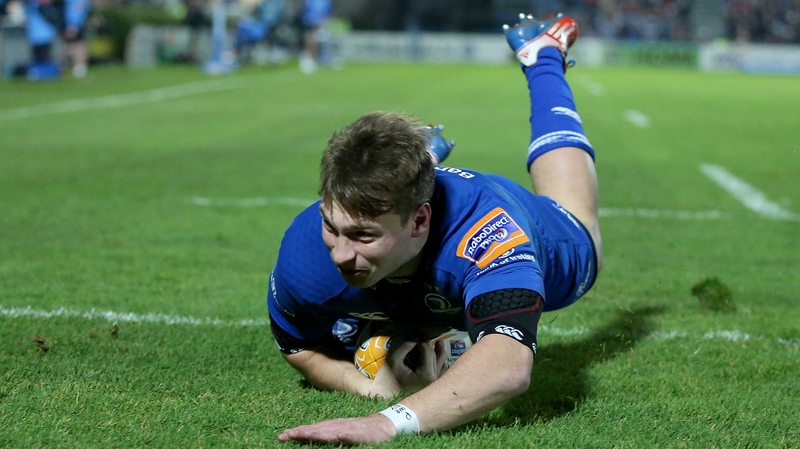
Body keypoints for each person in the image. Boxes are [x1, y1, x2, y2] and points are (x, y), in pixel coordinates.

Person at [269, 13, 602, 444]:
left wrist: (385, 421)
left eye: (363, 236)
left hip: (532, 230)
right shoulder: (305, 251)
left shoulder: (489, 236)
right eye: (333, 227)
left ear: (421, 220)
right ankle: (420, 157)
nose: (339, 255)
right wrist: (365, 385)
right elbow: (297, 346)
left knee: (580, 224)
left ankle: (542, 57)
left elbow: (507, 367)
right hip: (416, 263)